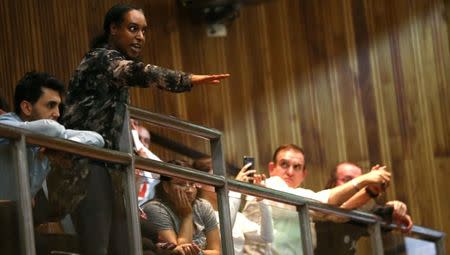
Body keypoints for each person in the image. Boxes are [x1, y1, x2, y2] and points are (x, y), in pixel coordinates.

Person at [60, 3, 229, 254]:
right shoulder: (100, 58)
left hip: (110, 168)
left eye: (143, 30)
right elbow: (140, 72)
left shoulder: (112, 65)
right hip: (87, 164)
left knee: (125, 246)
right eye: (132, 28)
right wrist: (188, 79)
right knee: (97, 247)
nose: (140, 36)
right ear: (113, 29)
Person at [242, 144, 391, 255]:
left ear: (303, 174)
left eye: (297, 167)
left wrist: (370, 191)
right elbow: (321, 202)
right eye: (284, 164)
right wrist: (364, 180)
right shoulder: (269, 185)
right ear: (271, 168)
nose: (290, 172)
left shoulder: (302, 196)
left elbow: (336, 214)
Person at [0, 71, 104, 200]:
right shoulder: (5, 124)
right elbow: (52, 129)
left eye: (59, 106)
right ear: (27, 107)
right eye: (51, 105)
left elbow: (97, 139)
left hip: (17, 215)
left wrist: (63, 145)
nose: (58, 113)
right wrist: (60, 143)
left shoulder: (47, 136)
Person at [314, 162, 413, 255]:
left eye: (361, 182)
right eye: (348, 180)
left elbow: (379, 215)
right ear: (332, 184)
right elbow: (338, 213)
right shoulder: (316, 205)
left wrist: (395, 209)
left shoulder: (360, 209)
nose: (357, 186)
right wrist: (370, 190)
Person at [192, 157, 274, 255]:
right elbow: (223, 232)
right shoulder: (197, 211)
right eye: (217, 176)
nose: (224, 182)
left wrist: (262, 199)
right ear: (198, 182)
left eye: (224, 177)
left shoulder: (236, 215)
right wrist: (236, 189)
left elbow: (266, 237)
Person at [142, 159, 221, 255]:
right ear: (166, 187)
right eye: (181, 184)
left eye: (192, 184)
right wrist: (187, 215)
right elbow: (178, 253)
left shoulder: (203, 206)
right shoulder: (155, 209)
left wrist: (196, 253)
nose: (190, 190)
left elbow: (217, 252)